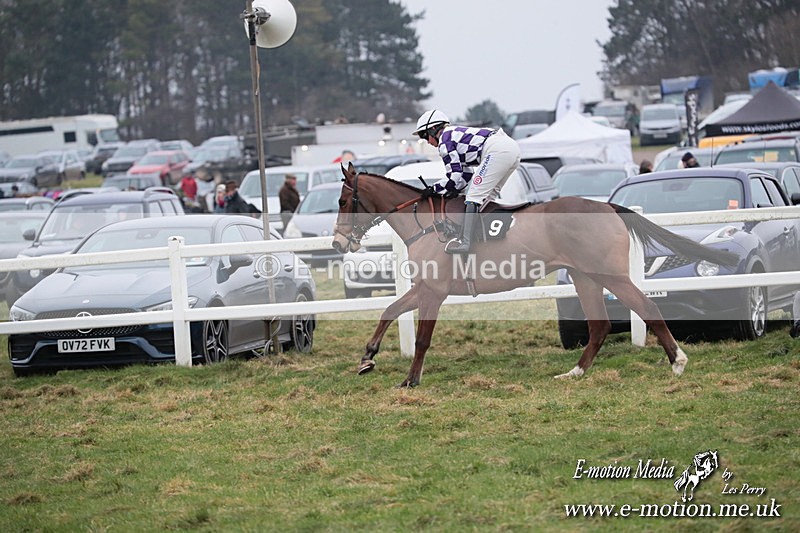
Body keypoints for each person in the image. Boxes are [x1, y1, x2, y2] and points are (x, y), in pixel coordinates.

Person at [413, 109, 521, 254]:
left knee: (473, 196)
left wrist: (434, 188)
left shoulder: (445, 140)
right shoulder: (453, 135)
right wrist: (451, 189)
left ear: (433, 129)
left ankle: (465, 242)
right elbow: (465, 176)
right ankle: (485, 239)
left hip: (497, 150)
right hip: (510, 148)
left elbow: (454, 175)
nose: (427, 142)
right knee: (487, 198)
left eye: (425, 136)